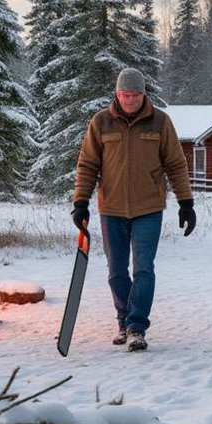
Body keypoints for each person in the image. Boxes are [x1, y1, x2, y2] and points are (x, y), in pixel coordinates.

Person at [72, 67, 196, 352]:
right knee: (116, 270)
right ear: (117, 94)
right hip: (112, 208)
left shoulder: (160, 123)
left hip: (149, 207)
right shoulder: (100, 122)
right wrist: (80, 202)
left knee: (143, 268)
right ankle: (123, 319)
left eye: (135, 95)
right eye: (125, 94)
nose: (130, 100)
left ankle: (136, 327)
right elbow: (88, 165)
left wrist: (185, 203)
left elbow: (176, 165)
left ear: (144, 94)